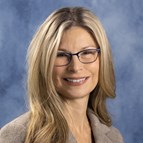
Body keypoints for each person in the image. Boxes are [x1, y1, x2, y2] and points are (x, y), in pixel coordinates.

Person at [0, 7, 124, 143]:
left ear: (103, 59)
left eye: (87, 52)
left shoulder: (113, 137)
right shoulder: (17, 135)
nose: (76, 67)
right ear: (43, 63)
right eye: (61, 55)